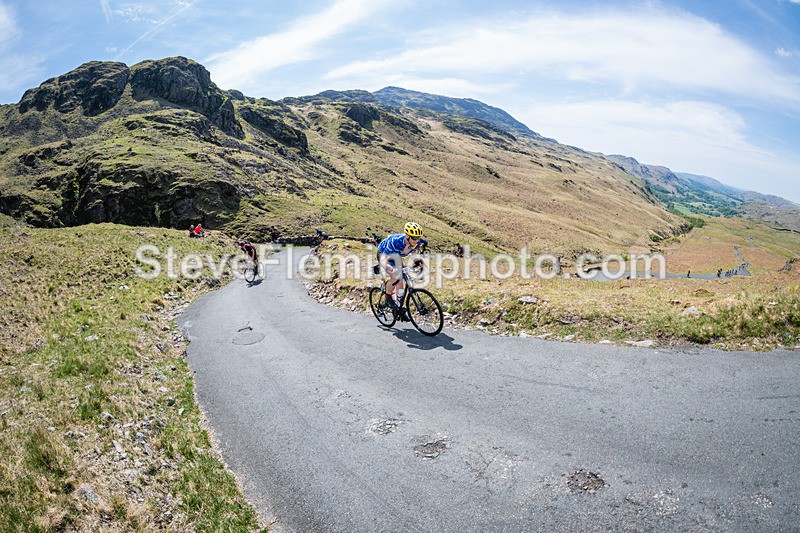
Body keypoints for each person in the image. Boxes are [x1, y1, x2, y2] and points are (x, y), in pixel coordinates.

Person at [377, 222, 427, 317]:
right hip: (384, 254)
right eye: (414, 238)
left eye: (418, 238)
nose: (417, 241)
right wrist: (389, 267)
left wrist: (418, 261)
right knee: (395, 278)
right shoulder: (395, 242)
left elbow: (414, 251)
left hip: (396, 256)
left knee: (401, 282)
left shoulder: (416, 241)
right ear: (407, 236)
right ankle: (387, 299)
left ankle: (398, 308)